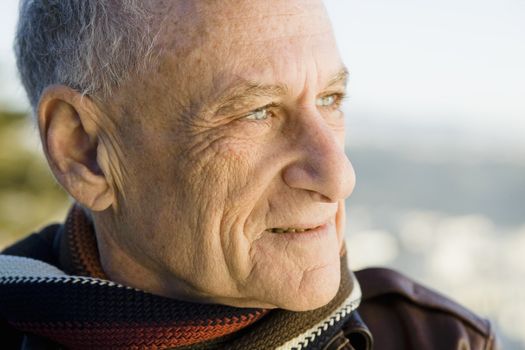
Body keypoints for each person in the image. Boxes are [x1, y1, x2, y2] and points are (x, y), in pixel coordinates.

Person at [0, 1, 499, 349]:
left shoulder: (442, 340)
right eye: (257, 112)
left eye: (330, 99)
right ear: (82, 150)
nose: (339, 177)